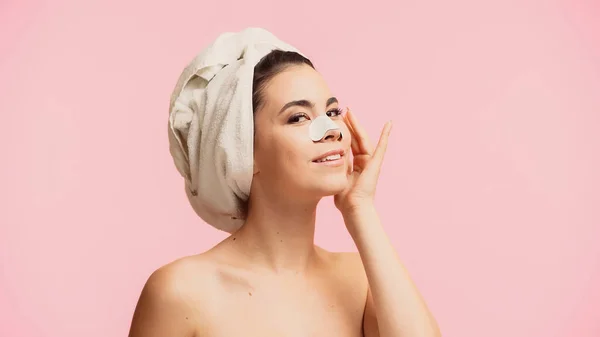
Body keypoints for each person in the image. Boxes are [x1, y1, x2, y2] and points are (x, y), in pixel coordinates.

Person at [129, 30, 440, 337]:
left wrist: (361, 209)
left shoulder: (359, 280)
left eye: (332, 112)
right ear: (242, 152)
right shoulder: (181, 293)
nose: (330, 129)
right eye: (298, 117)